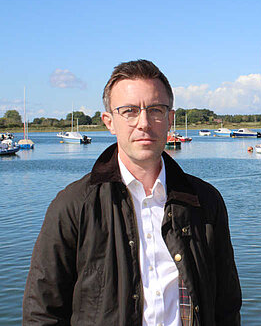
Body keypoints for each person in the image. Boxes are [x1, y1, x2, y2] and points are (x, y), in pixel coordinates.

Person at [23, 59, 242, 325]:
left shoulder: (205, 202)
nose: (144, 123)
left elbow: (227, 305)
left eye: (156, 110)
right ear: (109, 122)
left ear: (170, 119)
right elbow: (42, 312)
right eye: (129, 111)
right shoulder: (73, 206)